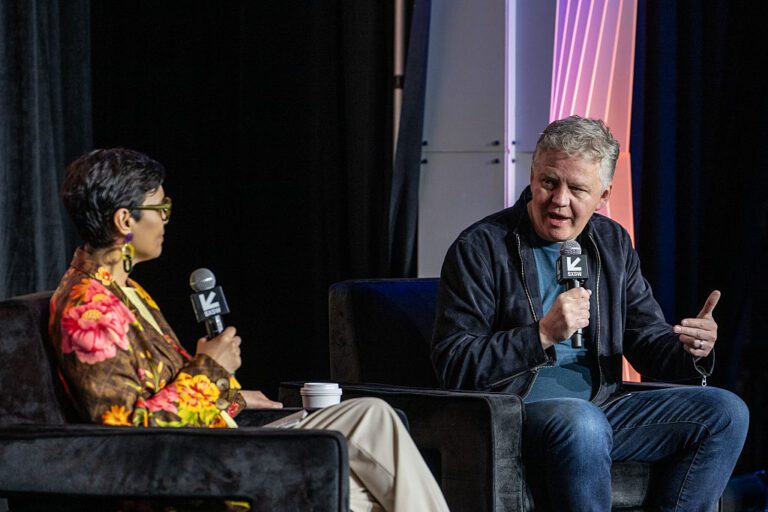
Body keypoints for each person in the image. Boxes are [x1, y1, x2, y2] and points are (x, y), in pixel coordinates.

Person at [50, 148, 449, 512]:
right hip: (198, 469)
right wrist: (210, 370)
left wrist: (231, 395)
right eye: (161, 207)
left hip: (218, 440)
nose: (166, 219)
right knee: (365, 488)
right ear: (125, 220)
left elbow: (166, 390)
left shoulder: (125, 289)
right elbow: (128, 439)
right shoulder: (88, 312)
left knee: (371, 422)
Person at [431, 115, 749, 511]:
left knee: (725, 412)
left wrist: (690, 348)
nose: (559, 200)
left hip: (603, 406)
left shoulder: (612, 242)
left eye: (577, 188)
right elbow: (454, 362)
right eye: (549, 182)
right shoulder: (481, 247)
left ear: (603, 195)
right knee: (581, 422)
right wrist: (542, 335)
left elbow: (646, 340)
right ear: (532, 177)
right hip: (513, 416)